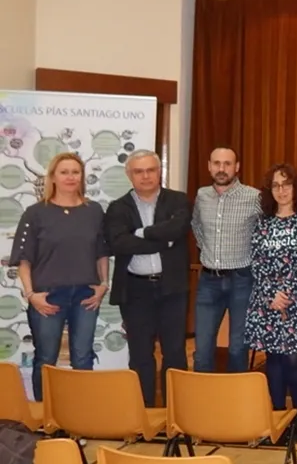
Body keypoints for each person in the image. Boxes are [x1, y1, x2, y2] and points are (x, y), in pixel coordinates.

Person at [11, 152, 110, 400]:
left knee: (83, 356)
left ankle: (79, 419)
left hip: (86, 296)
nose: (70, 177)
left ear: (82, 177)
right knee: (46, 358)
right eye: (64, 172)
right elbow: (24, 260)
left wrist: (104, 285)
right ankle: (46, 420)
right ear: (53, 177)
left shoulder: (94, 211)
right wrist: (31, 295)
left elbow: (101, 252)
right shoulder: (35, 213)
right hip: (48, 297)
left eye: (75, 172)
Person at [103, 150, 191, 407]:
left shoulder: (178, 201)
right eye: (139, 171)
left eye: (150, 170)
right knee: (140, 354)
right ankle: (143, 414)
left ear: (159, 171)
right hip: (135, 291)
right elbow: (119, 243)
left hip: (172, 288)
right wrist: (162, 241)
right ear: (129, 175)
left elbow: (178, 229)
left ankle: (177, 413)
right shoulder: (117, 207)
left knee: (174, 352)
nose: (146, 176)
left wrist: (140, 233)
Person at [244, 164, 297, 441]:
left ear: (295, 188)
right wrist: (271, 295)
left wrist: (285, 293)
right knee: (274, 358)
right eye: (276, 185)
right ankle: (277, 415)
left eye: (286, 184)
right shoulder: (262, 222)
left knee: (295, 358)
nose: (281, 190)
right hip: (268, 301)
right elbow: (256, 262)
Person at [192, 147, 261, 373]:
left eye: (227, 164)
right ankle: (202, 404)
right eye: (217, 163)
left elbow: (266, 231)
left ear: (237, 167)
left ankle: (236, 403)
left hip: (243, 279)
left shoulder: (254, 197)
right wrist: (208, 251)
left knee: (237, 348)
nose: (222, 169)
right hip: (209, 281)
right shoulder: (201, 195)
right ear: (209, 166)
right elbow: (197, 227)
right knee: (201, 349)